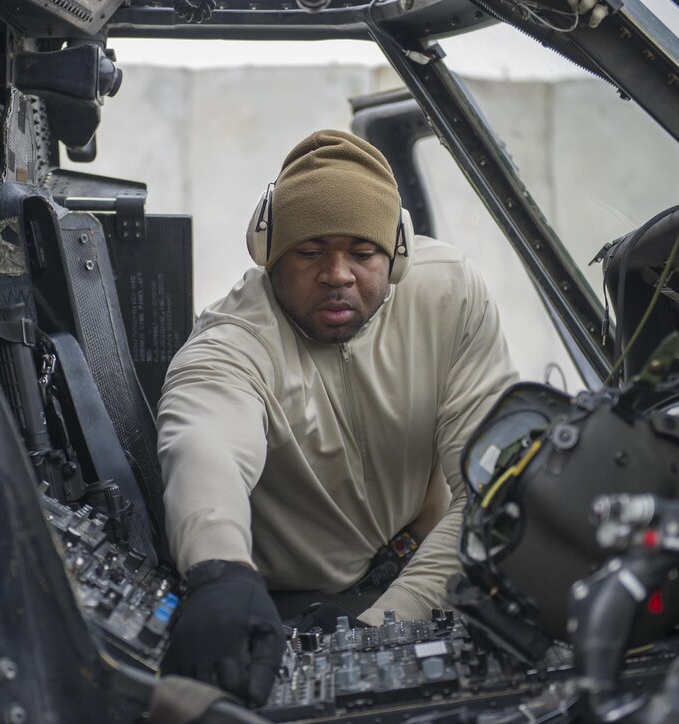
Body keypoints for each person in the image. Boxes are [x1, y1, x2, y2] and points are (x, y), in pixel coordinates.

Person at [156, 129, 517, 705]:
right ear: (269, 253)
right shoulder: (234, 343)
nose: (338, 274)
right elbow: (204, 446)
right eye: (310, 251)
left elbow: (492, 486)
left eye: (363, 251)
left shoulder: (449, 294)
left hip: (428, 565)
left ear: (396, 255)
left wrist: (386, 625)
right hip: (290, 602)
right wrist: (219, 571)